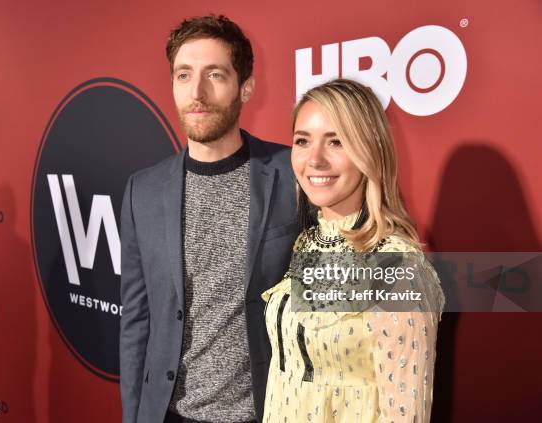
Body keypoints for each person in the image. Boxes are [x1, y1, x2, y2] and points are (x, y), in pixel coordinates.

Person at [120, 15, 299, 423]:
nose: (196, 93)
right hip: (169, 414)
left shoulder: (293, 173)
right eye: (184, 76)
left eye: (215, 75)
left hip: (266, 412)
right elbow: (136, 319)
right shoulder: (141, 191)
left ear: (246, 87)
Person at [261, 79, 444, 423]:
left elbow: (406, 414)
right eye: (302, 141)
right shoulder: (306, 242)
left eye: (337, 141)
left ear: (369, 150)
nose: (314, 159)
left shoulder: (397, 267)